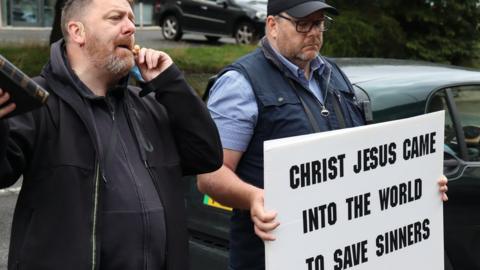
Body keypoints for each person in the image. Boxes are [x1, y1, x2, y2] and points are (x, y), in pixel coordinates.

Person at [197, 0, 448, 269]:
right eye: (303, 24)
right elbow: (210, 175)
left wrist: (417, 181)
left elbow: (363, 160)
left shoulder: (333, 74)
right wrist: (254, 198)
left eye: (319, 24)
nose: (314, 33)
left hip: (338, 253)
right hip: (270, 256)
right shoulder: (240, 84)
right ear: (272, 25)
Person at [0, 0, 222, 269]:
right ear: (77, 31)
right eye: (115, 18)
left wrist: (171, 83)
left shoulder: (148, 103)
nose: (130, 27)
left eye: (131, 18)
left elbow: (206, 156)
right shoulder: (40, 102)